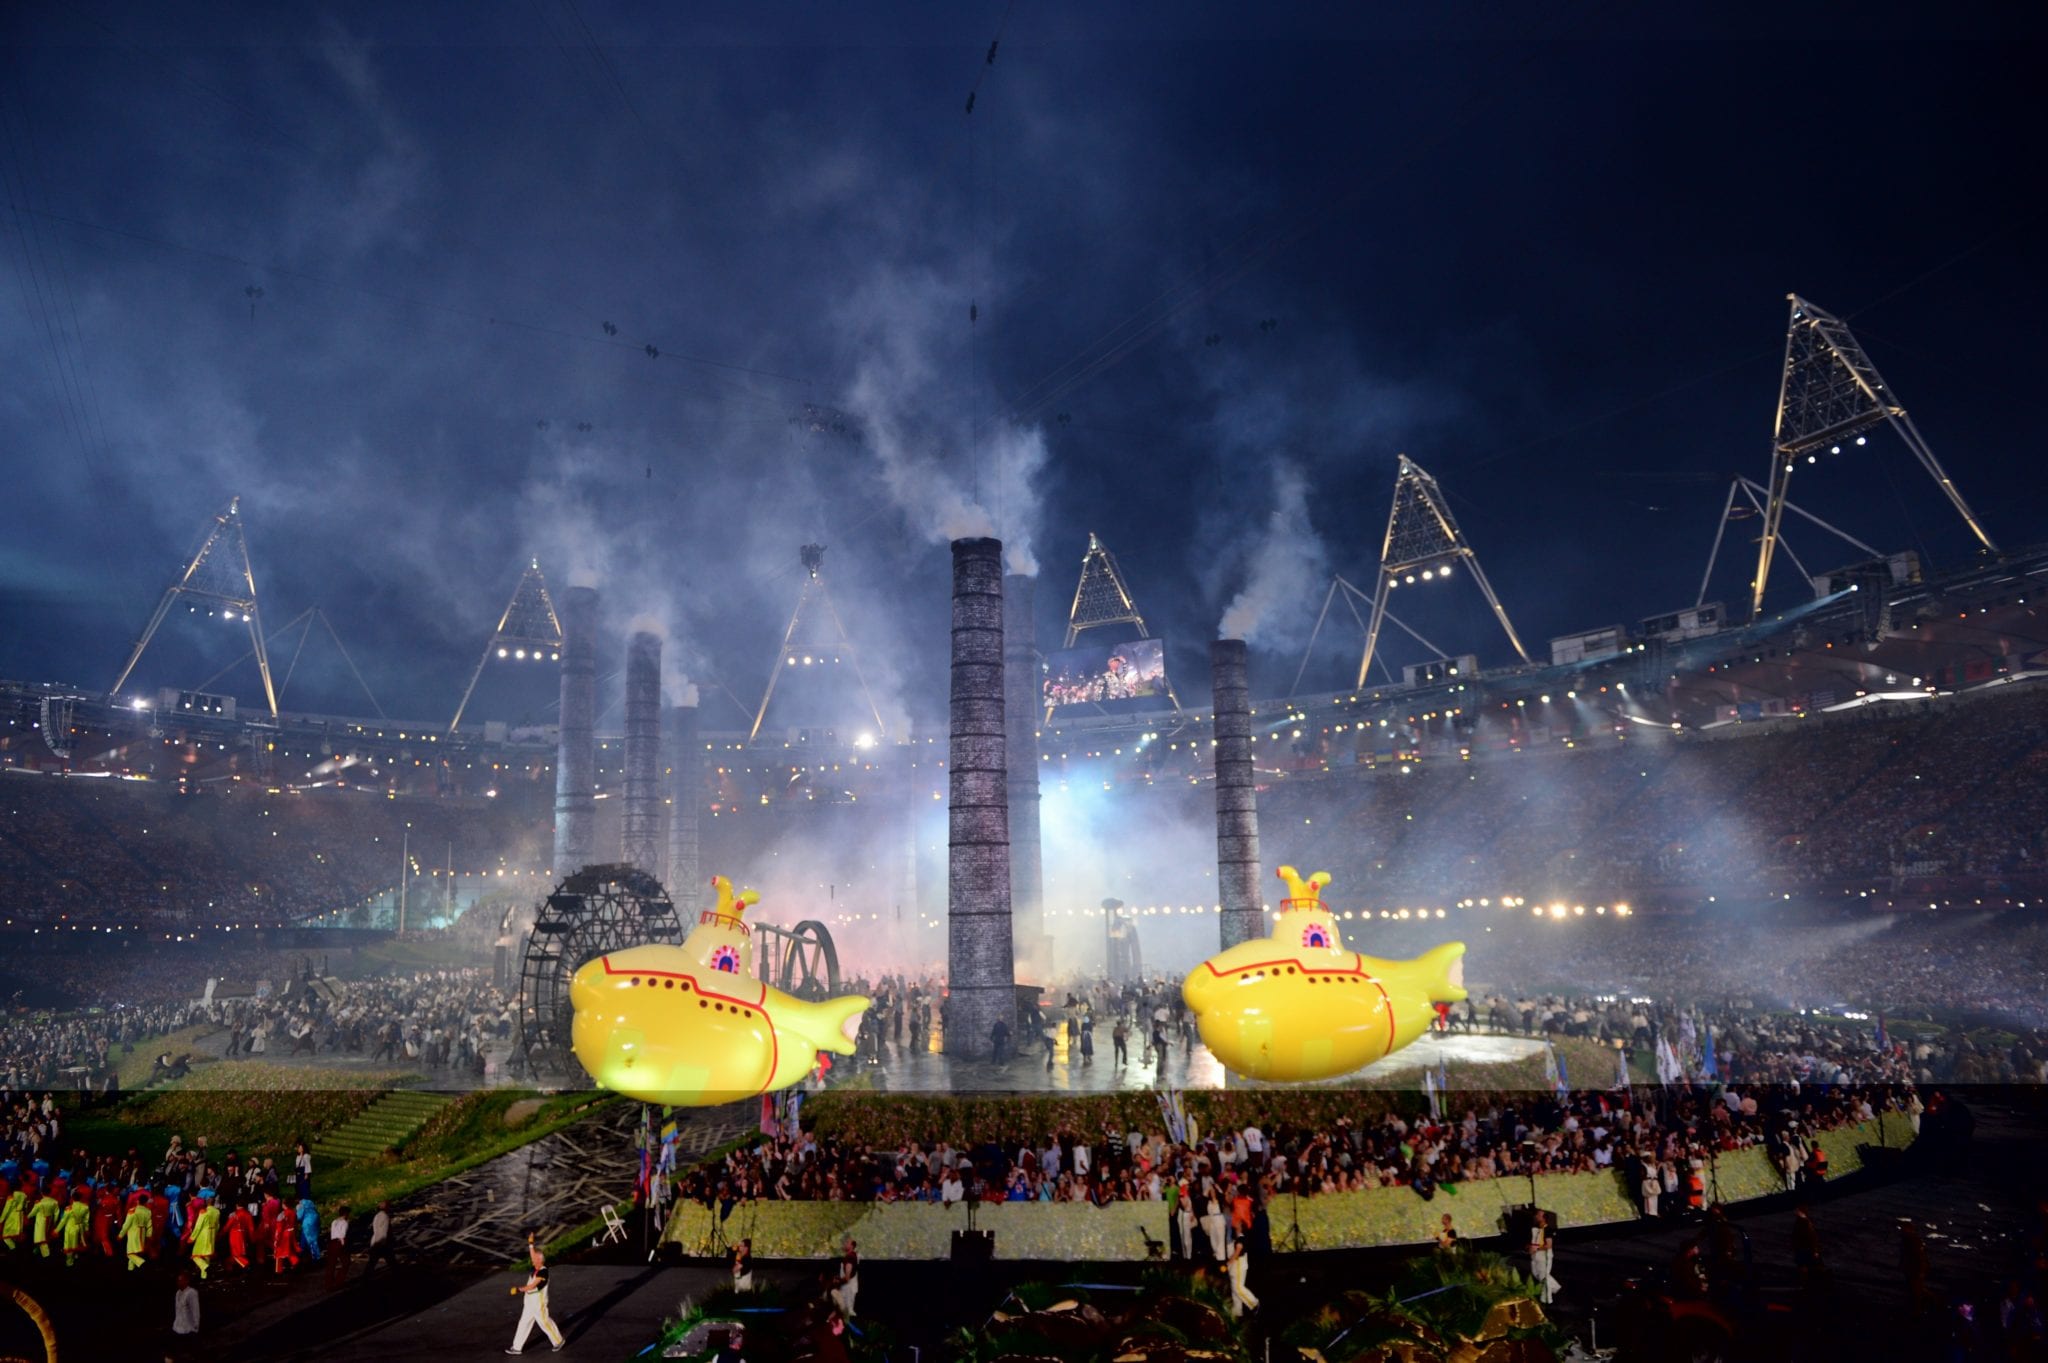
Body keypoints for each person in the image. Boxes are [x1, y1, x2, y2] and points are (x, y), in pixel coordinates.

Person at [506, 1243, 565, 1354]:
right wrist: (531, 1245)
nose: (532, 1261)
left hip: (539, 1303)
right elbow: (534, 1255)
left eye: (534, 1260)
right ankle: (517, 1347)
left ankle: (559, 1341)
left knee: (544, 1322)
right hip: (529, 1302)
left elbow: (532, 1286)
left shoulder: (543, 1272)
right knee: (523, 1323)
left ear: (539, 1260)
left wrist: (518, 1289)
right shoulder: (536, 1267)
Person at [1529, 1211, 1559, 1304]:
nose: (1536, 1216)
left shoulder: (1548, 1229)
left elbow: (1549, 1245)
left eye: (1538, 1215)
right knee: (1536, 1274)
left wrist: (1537, 1249)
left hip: (1544, 1256)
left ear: (1543, 1218)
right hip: (1537, 1255)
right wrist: (1531, 1248)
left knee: (1543, 1277)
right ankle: (1556, 1288)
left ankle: (1546, 1299)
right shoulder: (1538, 1229)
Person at [1226, 1238, 1259, 1318]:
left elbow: (1239, 1249)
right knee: (1234, 1289)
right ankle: (1237, 1311)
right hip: (1235, 1262)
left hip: (1238, 1262)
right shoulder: (1235, 1235)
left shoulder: (1240, 1236)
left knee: (1238, 1288)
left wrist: (1229, 1262)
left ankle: (1254, 1303)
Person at [171, 1271, 201, 1355]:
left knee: (187, 1352)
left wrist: (196, 1327)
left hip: (188, 1329)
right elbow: (177, 1310)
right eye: (178, 1280)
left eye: (181, 1280)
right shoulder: (178, 1293)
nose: (179, 1282)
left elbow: (195, 1310)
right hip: (177, 1327)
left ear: (187, 1281)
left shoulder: (191, 1293)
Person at [830, 1238, 859, 1320]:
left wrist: (837, 1281)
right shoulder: (850, 1257)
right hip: (846, 1289)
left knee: (845, 1313)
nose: (844, 1244)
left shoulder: (850, 1257)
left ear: (852, 1246)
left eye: (847, 1243)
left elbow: (847, 1278)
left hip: (847, 1291)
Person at [363, 1201, 395, 1274]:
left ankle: (365, 1277)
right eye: (389, 1207)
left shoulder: (377, 1216)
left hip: (376, 1242)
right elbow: (383, 1231)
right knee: (392, 1262)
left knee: (372, 1262)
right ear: (387, 1208)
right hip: (382, 1244)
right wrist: (382, 1243)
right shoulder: (385, 1216)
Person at [326, 1203, 352, 1288]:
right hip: (340, 1243)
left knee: (331, 1264)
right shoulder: (344, 1222)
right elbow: (343, 1235)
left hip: (332, 1242)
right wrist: (344, 1245)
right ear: (346, 1214)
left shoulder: (334, 1221)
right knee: (346, 1262)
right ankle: (339, 1281)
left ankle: (329, 1284)